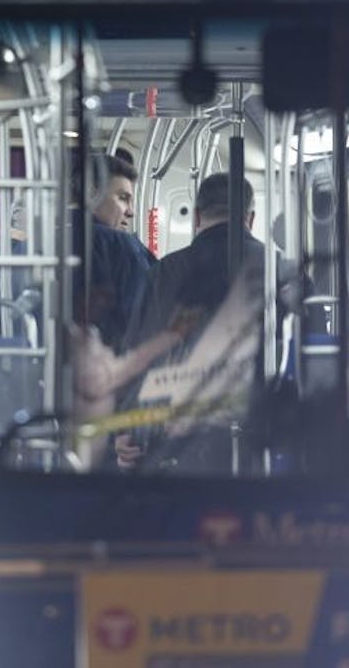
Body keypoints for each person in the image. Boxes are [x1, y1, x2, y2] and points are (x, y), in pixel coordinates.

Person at [114, 173, 269, 471]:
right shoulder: (282, 271)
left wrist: (127, 429)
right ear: (250, 218)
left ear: (196, 216)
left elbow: (141, 352)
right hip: (262, 429)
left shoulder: (166, 272)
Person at [87, 154, 154, 353]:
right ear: (92, 195)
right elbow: (146, 320)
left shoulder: (34, 247)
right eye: (123, 198)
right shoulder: (123, 247)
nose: (131, 211)